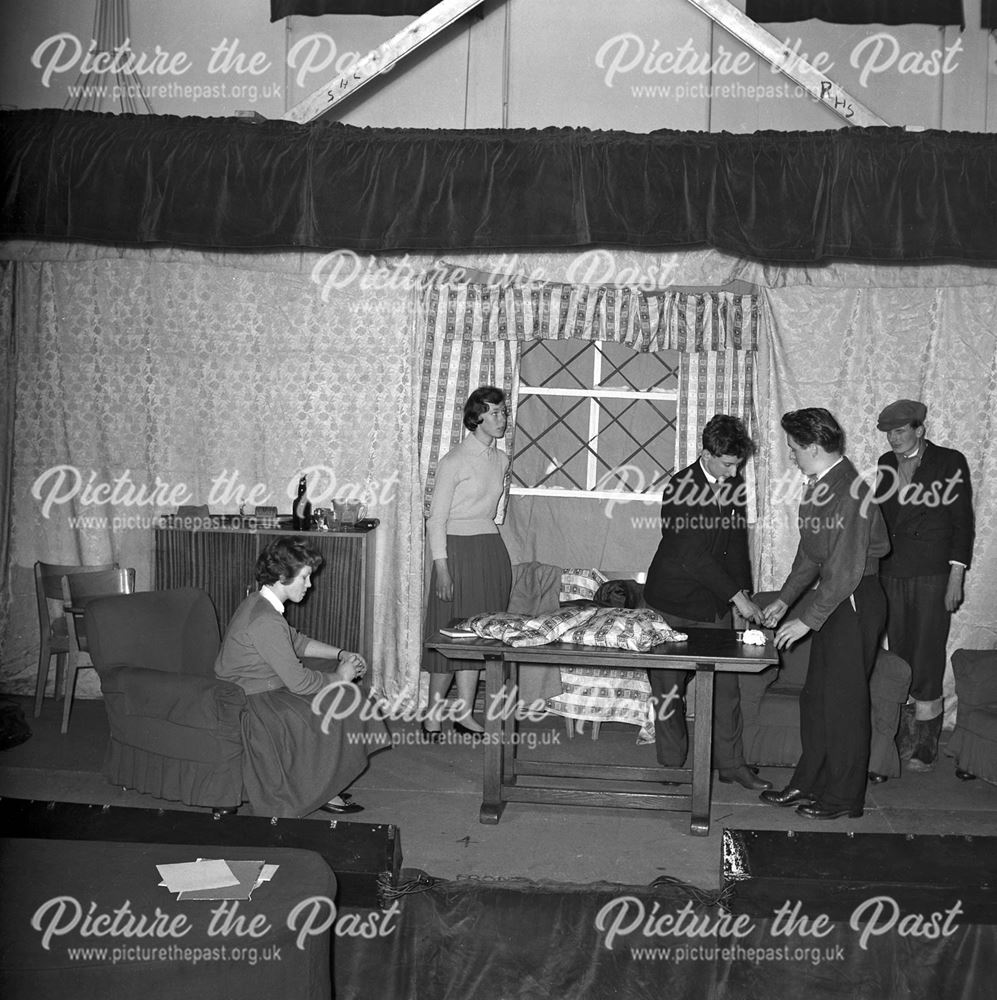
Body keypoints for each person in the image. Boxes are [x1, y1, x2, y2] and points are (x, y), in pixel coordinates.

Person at [760, 408, 889, 820]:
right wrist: (785, 598)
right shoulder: (822, 483)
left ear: (814, 447)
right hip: (837, 595)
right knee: (816, 699)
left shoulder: (851, 490)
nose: (791, 454)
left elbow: (847, 569)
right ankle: (809, 782)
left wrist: (807, 619)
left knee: (845, 705)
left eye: (794, 447)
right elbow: (812, 553)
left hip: (855, 598)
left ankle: (843, 799)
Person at [215, 536, 387, 817]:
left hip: (266, 687)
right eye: (305, 578)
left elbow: (296, 642)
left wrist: (341, 654)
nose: (310, 585)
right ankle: (323, 789)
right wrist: (340, 677)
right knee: (335, 704)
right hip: (253, 700)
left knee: (346, 699)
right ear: (283, 576)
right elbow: (300, 682)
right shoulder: (264, 619)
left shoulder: (261, 603)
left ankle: (327, 784)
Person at [642, 413, 769, 791]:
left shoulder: (733, 484)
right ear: (706, 454)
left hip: (714, 604)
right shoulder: (680, 487)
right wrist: (738, 599)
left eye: (737, 465)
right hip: (671, 603)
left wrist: (743, 596)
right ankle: (671, 764)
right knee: (669, 690)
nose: (733, 473)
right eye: (728, 464)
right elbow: (692, 555)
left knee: (726, 687)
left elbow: (735, 546)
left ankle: (731, 764)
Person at [874, 399, 975, 773]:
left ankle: (927, 738)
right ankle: (904, 730)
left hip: (934, 573)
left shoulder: (951, 462)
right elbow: (881, 518)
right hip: (893, 571)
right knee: (899, 649)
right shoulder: (886, 464)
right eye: (889, 432)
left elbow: (963, 522)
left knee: (928, 649)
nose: (894, 438)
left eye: (900, 431)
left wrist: (956, 575)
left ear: (920, 430)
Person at [422, 385, 513, 740]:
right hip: (456, 553)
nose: (502, 418)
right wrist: (442, 566)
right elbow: (436, 520)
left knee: (478, 636)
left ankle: (463, 714)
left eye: (504, 412)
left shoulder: (502, 460)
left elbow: (490, 511)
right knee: (450, 634)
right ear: (476, 419)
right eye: (494, 413)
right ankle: (432, 714)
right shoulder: (454, 461)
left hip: (490, 549)